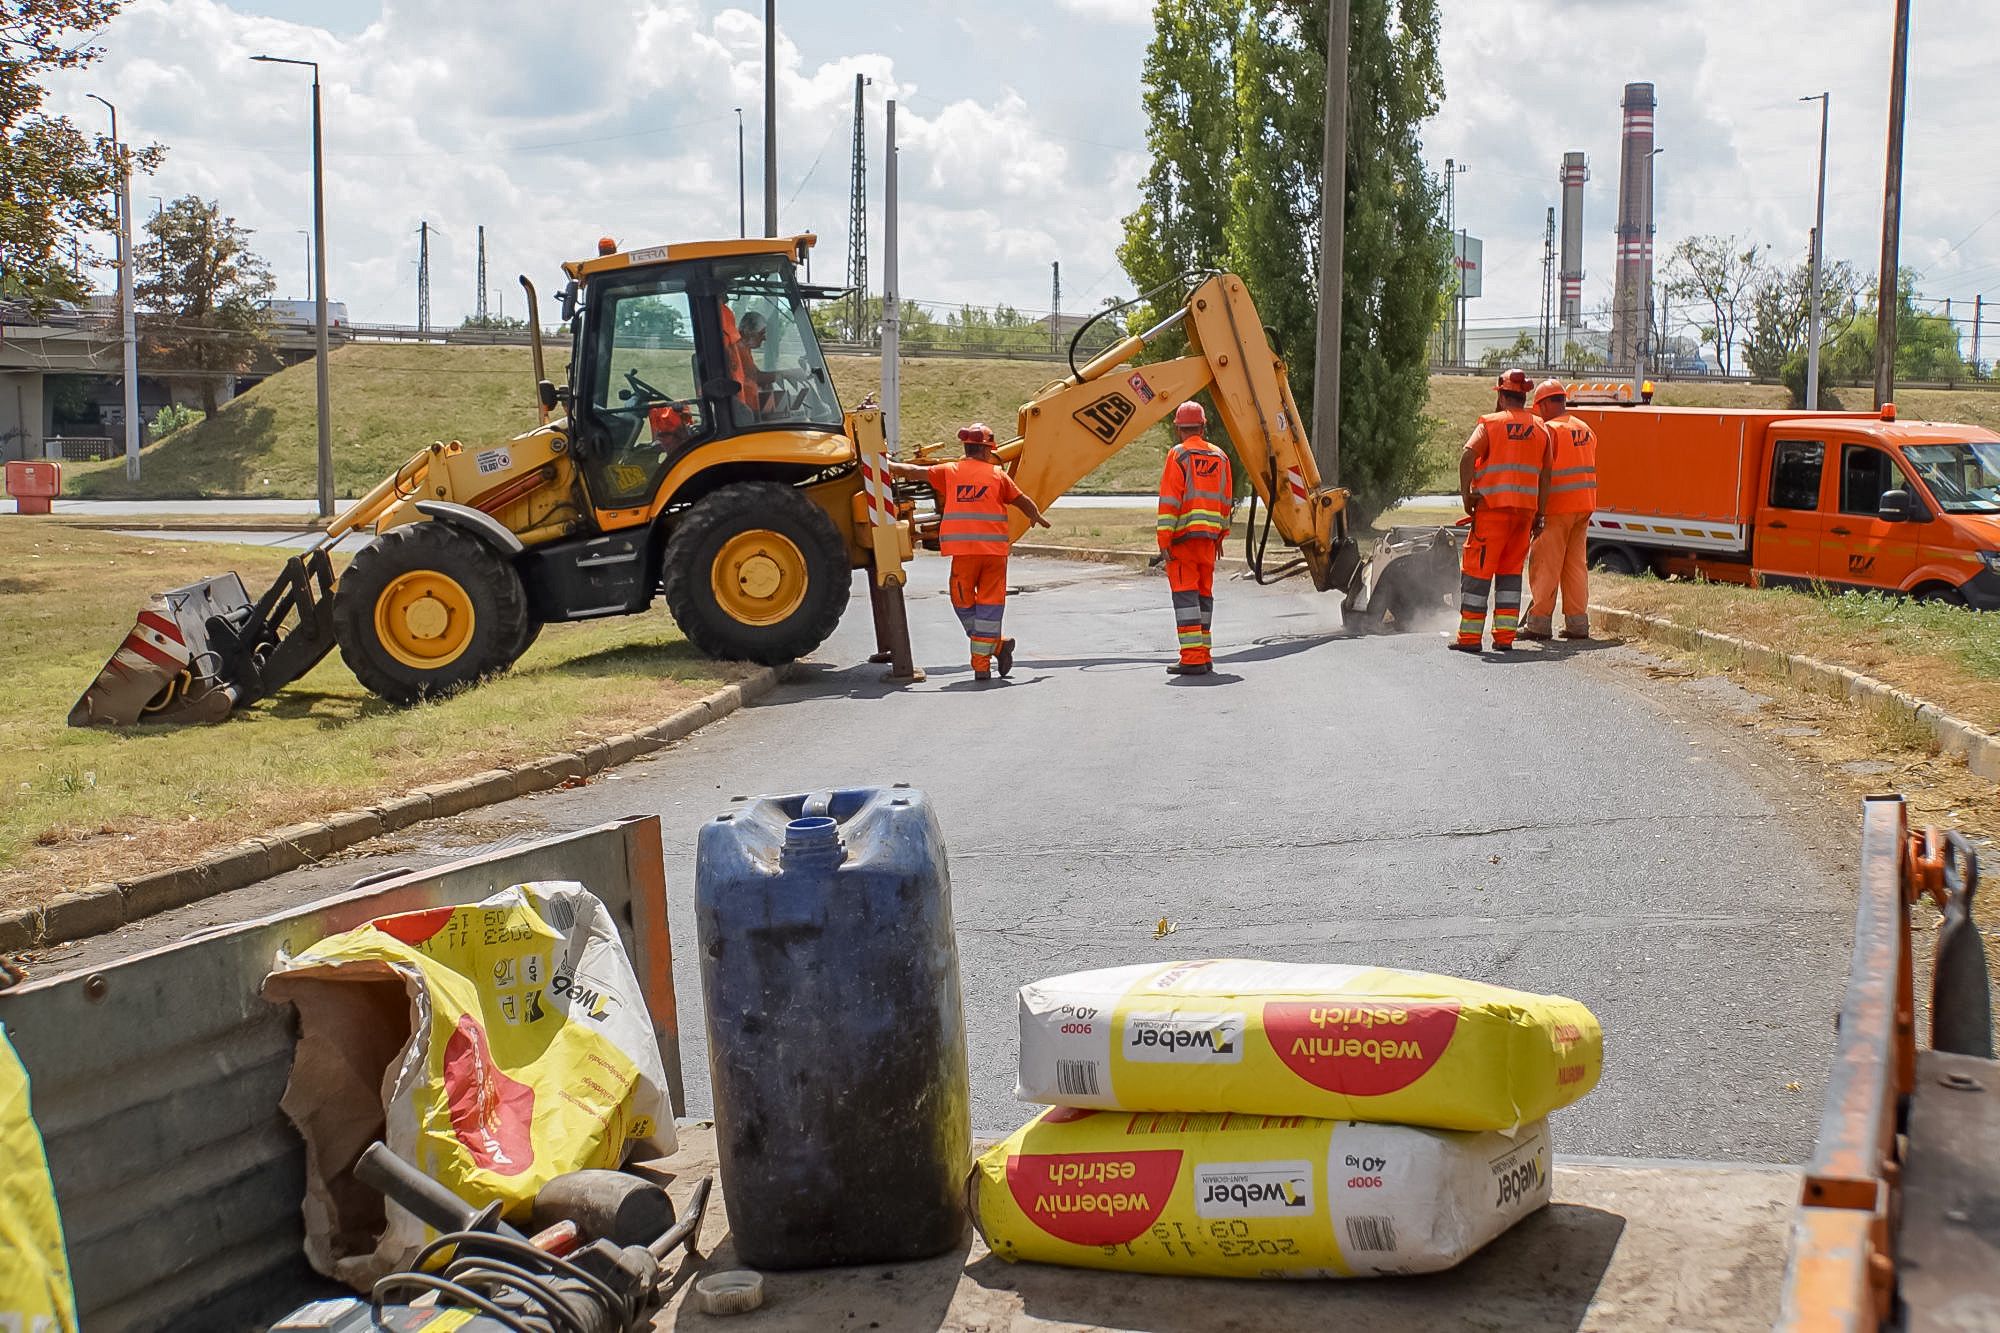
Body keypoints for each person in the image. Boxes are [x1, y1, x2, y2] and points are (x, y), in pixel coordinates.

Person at [884, 423, 1050, 679]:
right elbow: (1021, 500)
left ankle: (982, 665)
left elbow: (915, 472)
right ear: (987, 450)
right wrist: (1035, 515)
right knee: (990, 607)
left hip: (965, 554)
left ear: (966, 448)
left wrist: (887, 466)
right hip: (994, 554)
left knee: (962, 602)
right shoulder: (998, 475)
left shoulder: (950, 471)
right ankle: (996, 646)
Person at [1453, 368, 1552, 654]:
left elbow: (1467, 457)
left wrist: (1466, 495)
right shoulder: (1541, 428)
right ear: (1524, 397)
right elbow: (1546, 476)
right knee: (1510, 576)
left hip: (1492, 513)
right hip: (1524, 517)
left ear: (1501, 396)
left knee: (1477, 573)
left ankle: (1470, 639)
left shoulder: (1490, 424)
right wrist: (1540, 514)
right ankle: (1504, 638)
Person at [1156, 400, 1234, 676]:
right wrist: (1221, 535)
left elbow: (1170, 501)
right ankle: (1204, 653)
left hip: (1182, 542)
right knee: (1203, 597)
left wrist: (1164, 540)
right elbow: (1226, 501)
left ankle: (1192, 658)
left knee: (1185, 597)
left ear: (1179, 429)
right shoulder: (1221, 457)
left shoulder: (1178, 456)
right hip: (1208, 541)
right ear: (1202, 426)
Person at [1522, 379, 1599, 641]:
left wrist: (1536, 511)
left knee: (1545, 564)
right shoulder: (1585, 429)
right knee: (1575, 565)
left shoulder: (1548, 430)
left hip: (1556, 507)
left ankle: (1539, 623)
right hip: (1584, 506)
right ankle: (1578, 624)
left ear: (1543, 405)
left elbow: (1539, 472)